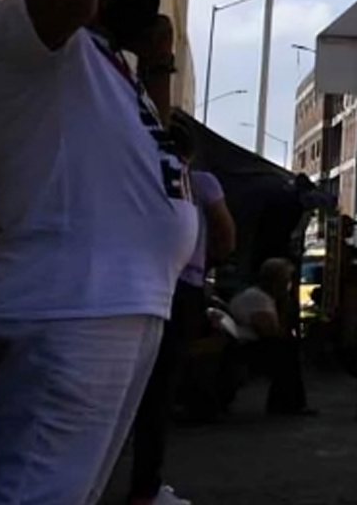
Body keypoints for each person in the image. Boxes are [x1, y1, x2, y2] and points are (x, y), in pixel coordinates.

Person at [0, 0, 199, 505]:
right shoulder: (24, 39)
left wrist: (158, 62)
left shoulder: (100, 62)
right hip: (73, 305)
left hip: (117, 302)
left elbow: (158, 141)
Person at [125, 128, 236, 505]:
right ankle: (146, 487)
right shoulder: (200, 182)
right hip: (181, 284)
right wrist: (207, 262)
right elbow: (225, 232)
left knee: (125, 381)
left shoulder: (135, 172)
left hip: (133, 281)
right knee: (159, 386)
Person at [227, 258, 308, 415]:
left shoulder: (264, 298)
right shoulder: (258, 299)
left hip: (247, 343)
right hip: (244, 345)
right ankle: (286, 403)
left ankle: (290, 401)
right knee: (286, 349)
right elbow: (268, 330)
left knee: (287, 347)